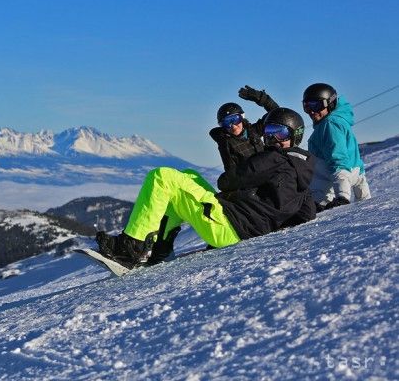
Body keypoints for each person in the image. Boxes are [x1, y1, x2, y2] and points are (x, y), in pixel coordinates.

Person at [96, 108, 316, 268]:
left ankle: (130, 248)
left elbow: (226, 182)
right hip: (236, 228)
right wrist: (265, 219)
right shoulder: (303, 174)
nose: (271, 138)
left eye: (279, 132)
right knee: (189, 177)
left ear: (294, 135)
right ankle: (161, 250)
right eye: (269, 131)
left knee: (161, 177)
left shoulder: (273, 158)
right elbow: (307, 214)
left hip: (226, 226)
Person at [302, 83, 371, 211]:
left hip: (325, 193)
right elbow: (357, 166)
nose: (311, 111)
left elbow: (338, 160)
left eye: (316, 105)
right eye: (306, 106)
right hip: (334, 184)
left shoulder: (330, 124)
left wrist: (343, 197)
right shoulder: (337, 121)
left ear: (330, 103)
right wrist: (364, 197)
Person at [210, 85, 279, 174]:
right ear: (222, 126)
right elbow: (233, 174)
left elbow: (278, 115)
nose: (233, 126)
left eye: (235, 120)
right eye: (227, 123)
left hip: (270, 176)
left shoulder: (253, 132)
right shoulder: (226, 143)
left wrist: (262, 98)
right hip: (252, 184)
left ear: (242, 118)